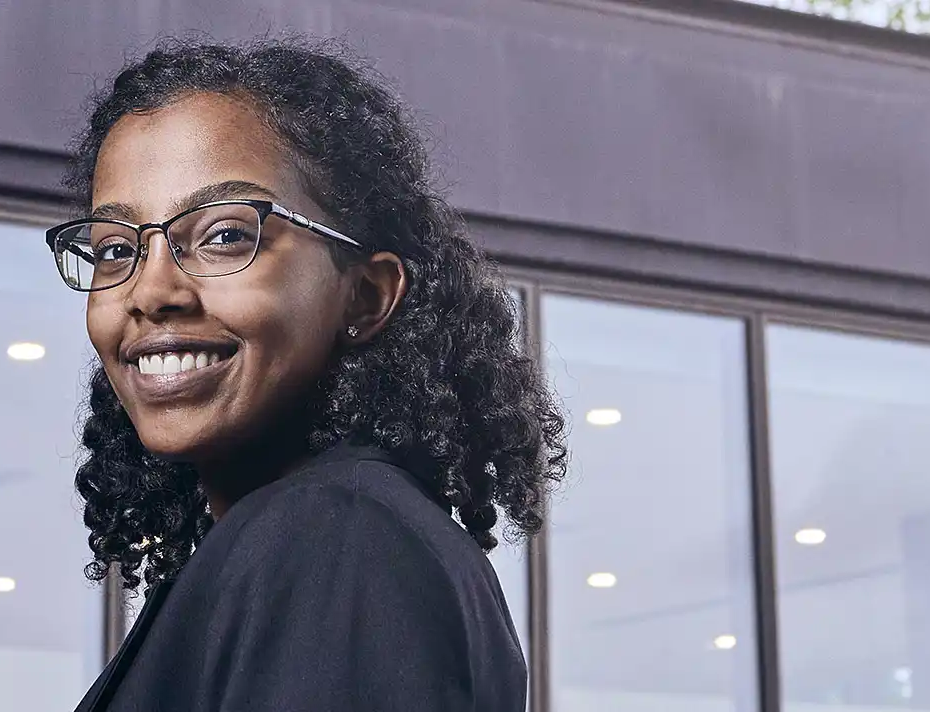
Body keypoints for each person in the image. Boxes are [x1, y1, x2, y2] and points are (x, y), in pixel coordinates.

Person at [51, 38, 567, 711]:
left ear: (365, 295)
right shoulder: (288, 542)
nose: (151, 291)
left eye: (225, 235)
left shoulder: (342, 540)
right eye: (115, 249)